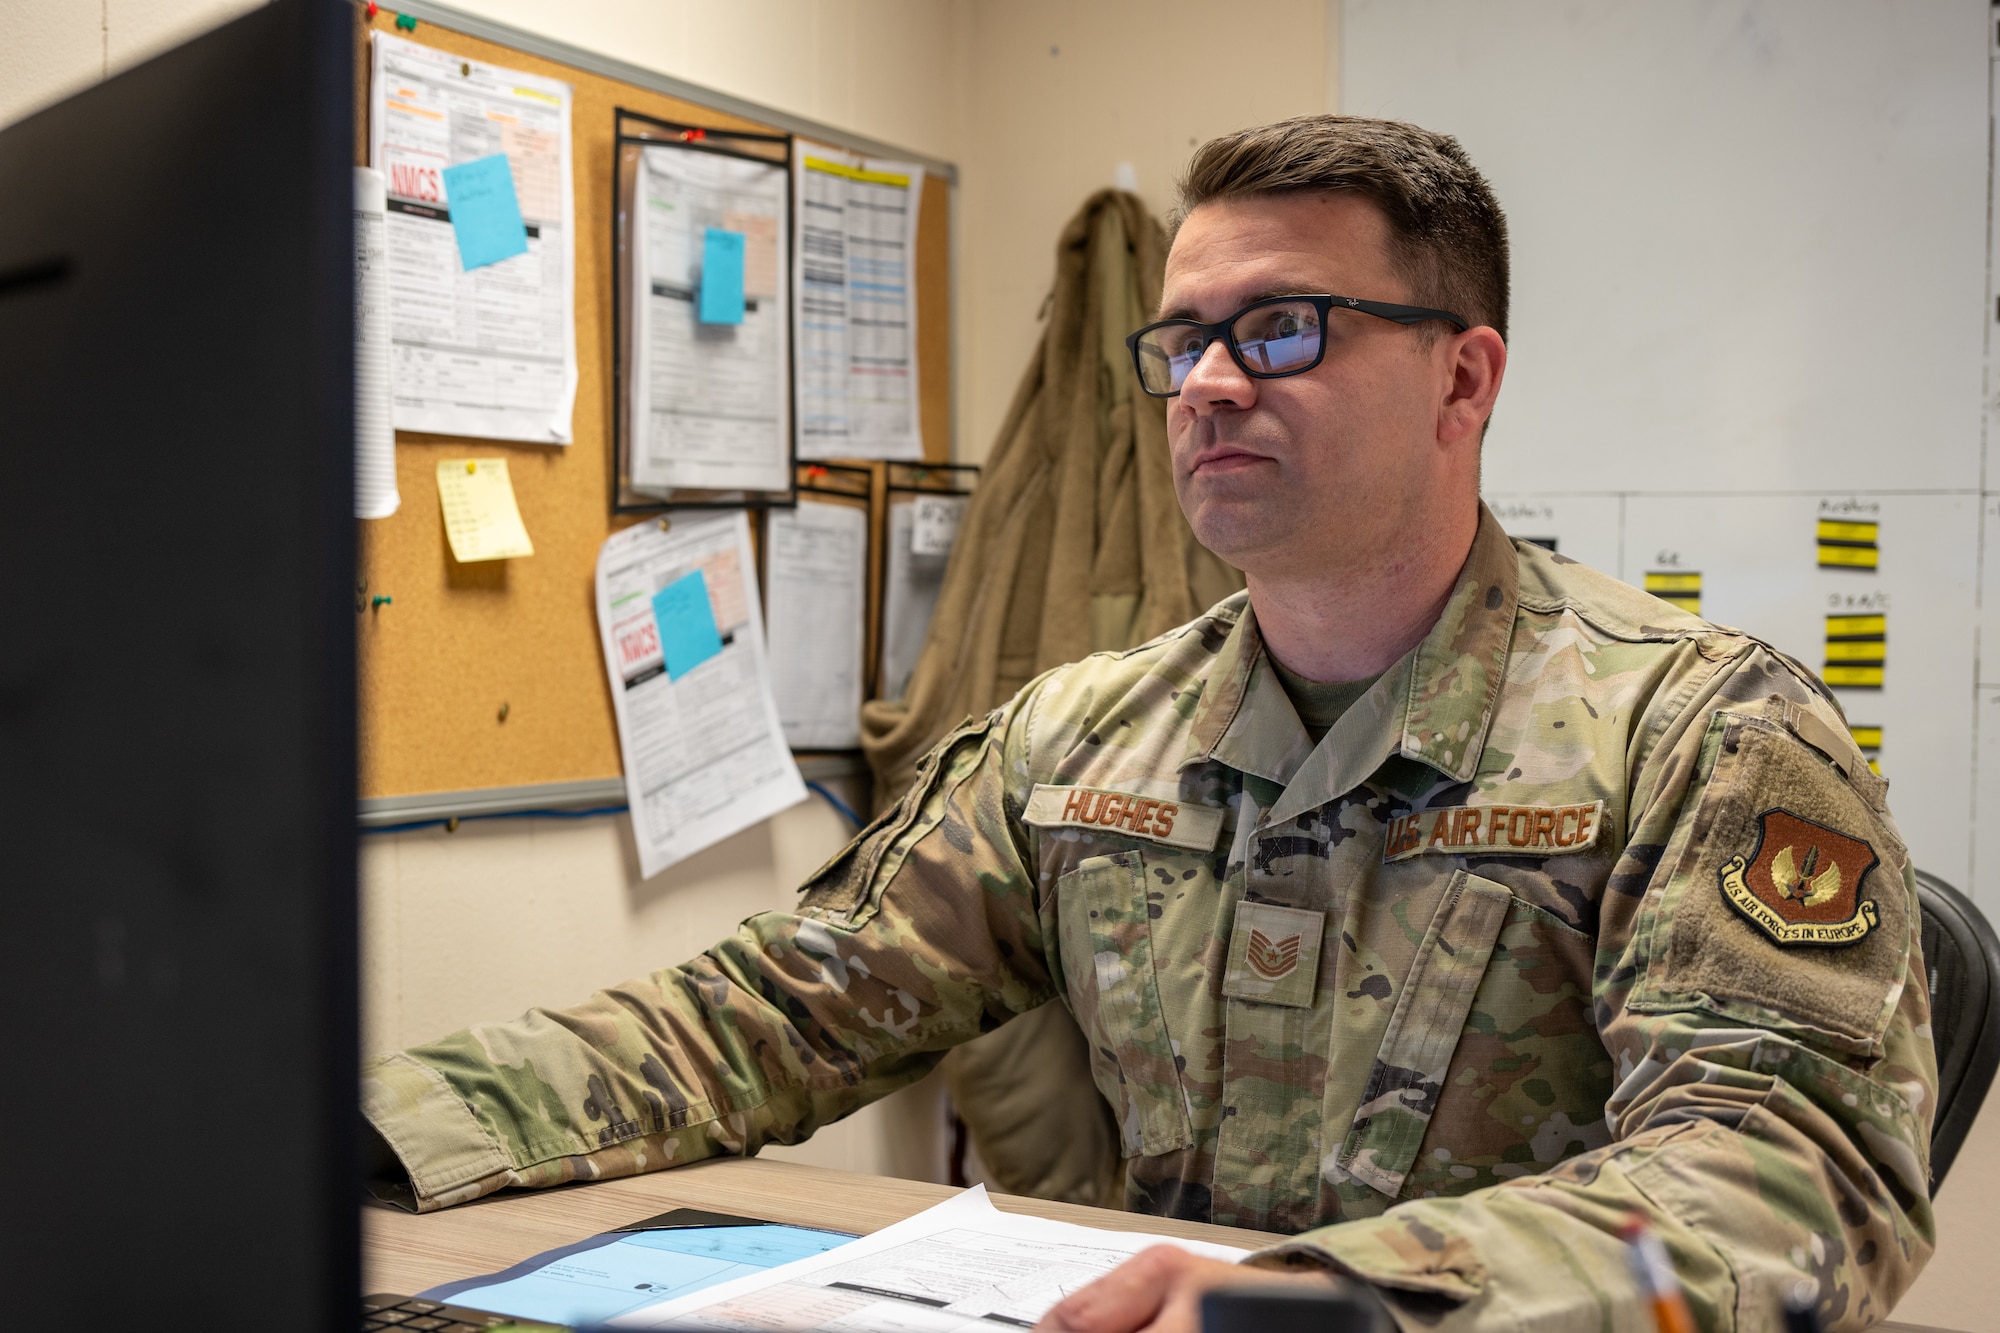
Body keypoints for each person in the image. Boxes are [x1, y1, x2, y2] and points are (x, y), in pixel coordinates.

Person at [364, 116, 1935, 1332]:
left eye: (1287, 326)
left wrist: (1343, 1302)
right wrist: (359, 1131)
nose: (1210, 383)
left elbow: (1793, 1186)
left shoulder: (1704, 731)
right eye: (1186, 339)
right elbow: (765, 1012)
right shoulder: (1082, 738)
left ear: (1465, 380)